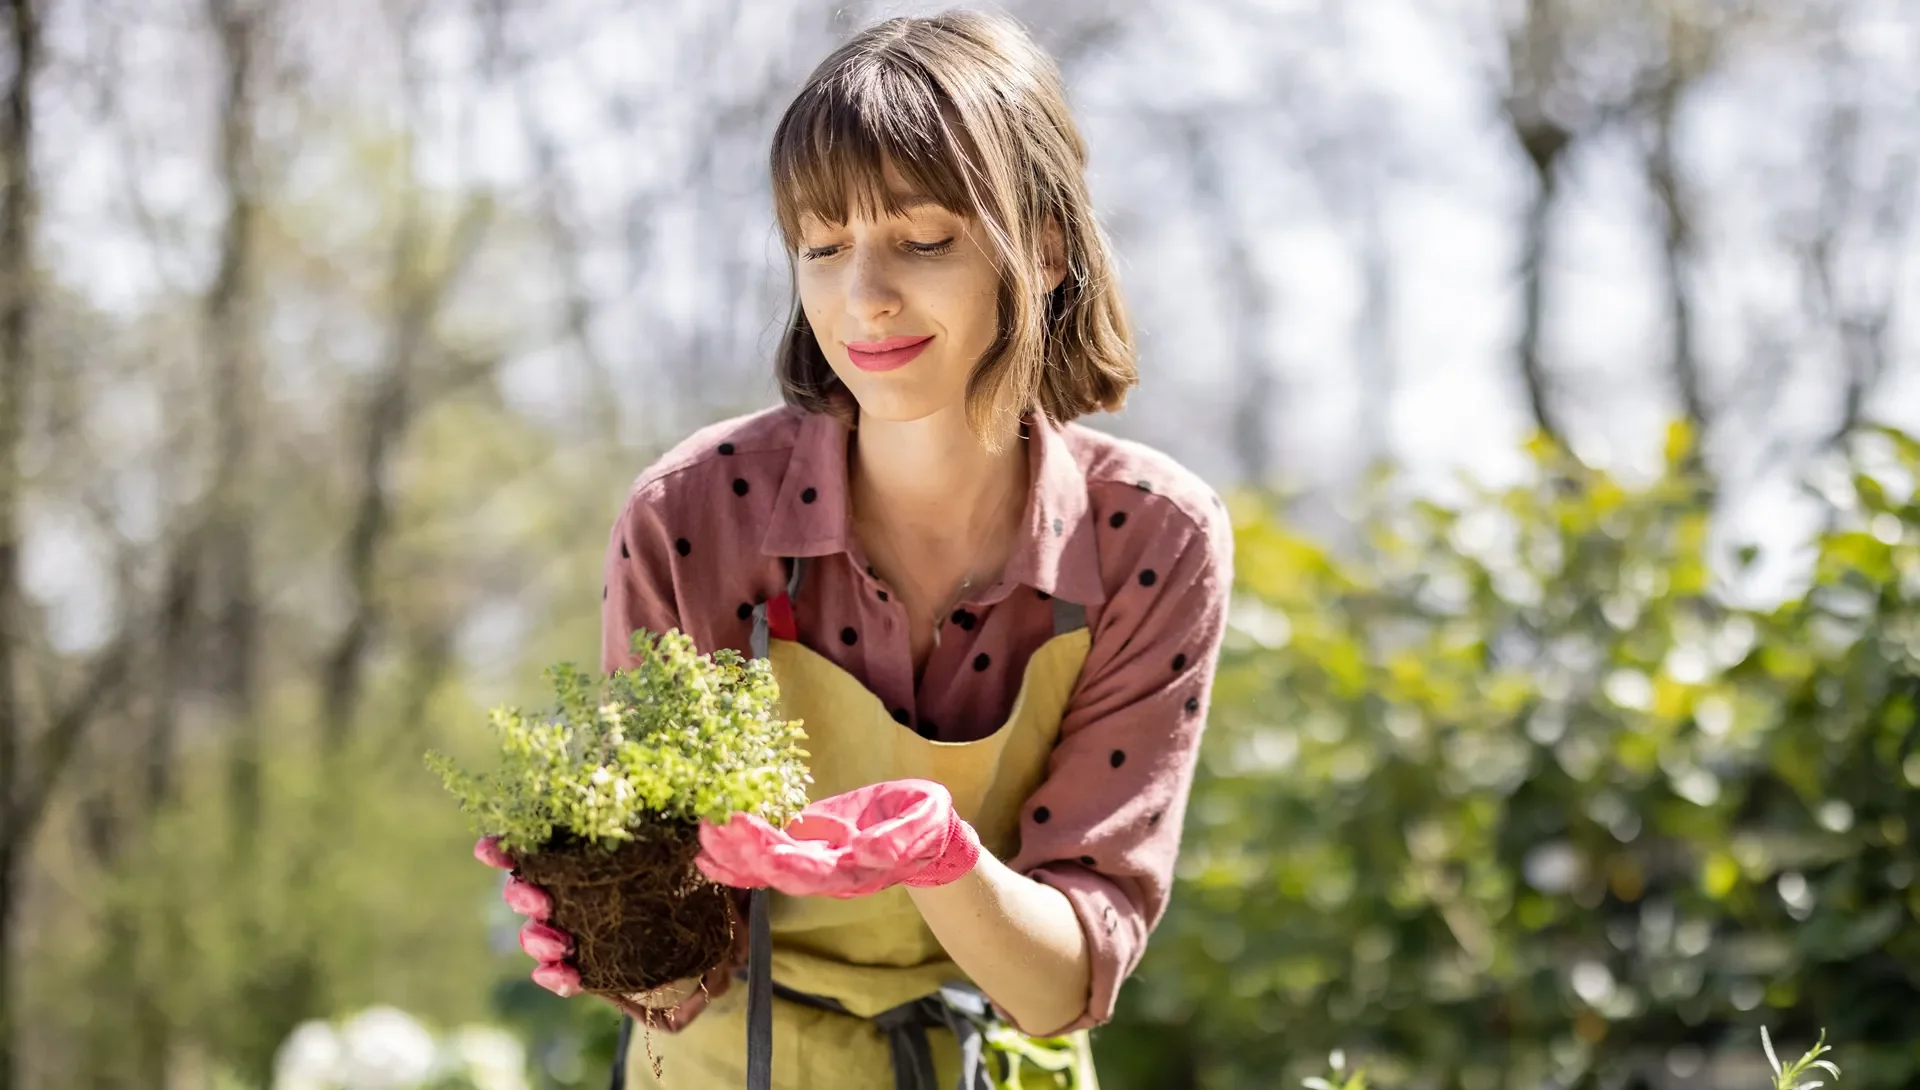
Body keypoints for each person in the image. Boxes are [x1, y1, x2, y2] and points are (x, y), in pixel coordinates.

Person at [474, 9, 1232, 1089]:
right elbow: (671, 935)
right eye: (823, 248)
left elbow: (1065, 981)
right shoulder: (694, 518)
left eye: (923, 240)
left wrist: (941, 857)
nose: (863, 297)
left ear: (1045, 248)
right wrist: (611, 929)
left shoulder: (1150, 539)